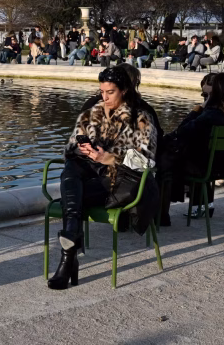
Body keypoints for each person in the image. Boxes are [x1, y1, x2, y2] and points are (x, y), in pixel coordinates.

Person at [48, 67, 158, 290]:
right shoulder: (93, 111)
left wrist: (110, 158)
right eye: (102, 91)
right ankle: (69, 252)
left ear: (124, 90)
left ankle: (68, 257)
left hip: (120, 183)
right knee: (72, 164)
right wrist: (84, 148)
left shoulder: (141, 116)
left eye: (110, 92)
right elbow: (71, 143)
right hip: (91, 176)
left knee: (71, 197)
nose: (104, 97)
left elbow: (148, 161)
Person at [157, 72, 224, 224]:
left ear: (216, 92)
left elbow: (183, 129)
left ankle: (161, 215)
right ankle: (196, 206)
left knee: (165, 159)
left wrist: (197, 109)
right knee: (176, 155)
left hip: (205, 168)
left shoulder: (213, 114)